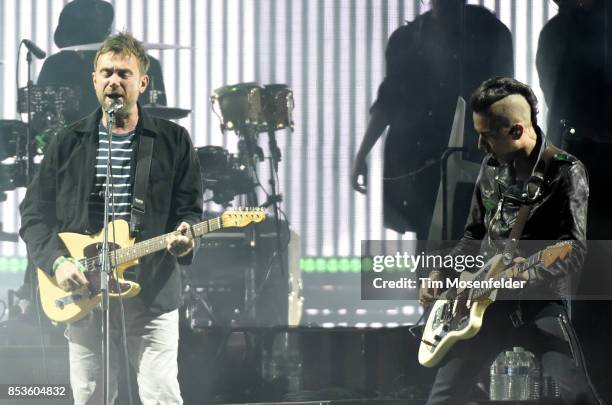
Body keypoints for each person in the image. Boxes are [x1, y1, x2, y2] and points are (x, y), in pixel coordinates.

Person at [19, 32, 202, 404]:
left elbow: (189, 211)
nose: (114, 81)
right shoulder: (67, 141)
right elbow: (35, 215)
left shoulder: (173, 140)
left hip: (151, 288)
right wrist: (57, 262)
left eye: (124, 73)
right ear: (94, 80)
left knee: (161, 395)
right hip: (83, 289)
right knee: (90, 396)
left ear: (143, 82)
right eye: (106, 73)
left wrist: (186, 238)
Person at [419, 77, 603, 405]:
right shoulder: (490, 168)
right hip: (481, 307)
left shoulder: (566, 171)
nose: (479, 147)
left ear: (517, 130)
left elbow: (572, 250)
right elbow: (473, 236)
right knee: (442, 398)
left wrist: (527, 273)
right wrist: (441, 272)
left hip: (539, 303)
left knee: (578, 395)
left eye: (487, 136)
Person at [351, 0, 513, 238]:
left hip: (474, 162)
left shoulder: (490, 34)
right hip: (424, 167)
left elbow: (506, 101)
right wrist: (362, 153)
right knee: (432, 245)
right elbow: (389, 101)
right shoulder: (407, 41)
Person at [536, 1, 612, 401]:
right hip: (590, 168)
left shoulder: (561, 32)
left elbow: (558, 103)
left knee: (591, 302)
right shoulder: (566, 31)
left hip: (589, 169)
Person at [37, 0, 167, 127]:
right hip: (73, 144)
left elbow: (158, 116)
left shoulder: (145, 65)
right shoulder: (55, 66)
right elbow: (41, 122)